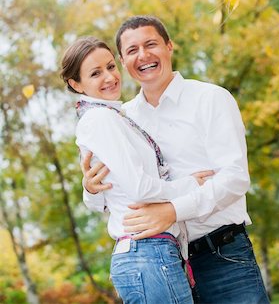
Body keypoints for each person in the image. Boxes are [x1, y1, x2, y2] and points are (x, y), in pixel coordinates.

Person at [82, 16, 270, 304]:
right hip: (162, 261)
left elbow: (234, 178)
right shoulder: (122, 119)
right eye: (132, 50)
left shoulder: (211, 99)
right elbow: (108, 197)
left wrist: (173, 210)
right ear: (123, 60)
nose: (143, 55)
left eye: (151, 44)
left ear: (169, 46)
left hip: (223, 256)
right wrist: (91, 189)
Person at [60, 36, 214, 304]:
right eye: (95, 73)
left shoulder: (116, 117)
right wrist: (191, 184)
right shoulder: (100, 119)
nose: (109, 77)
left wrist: (89, 188)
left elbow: (102, 200)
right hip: (147, 252)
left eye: (110, 67)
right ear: (76, 84)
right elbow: (140, 189)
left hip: (152, 252)